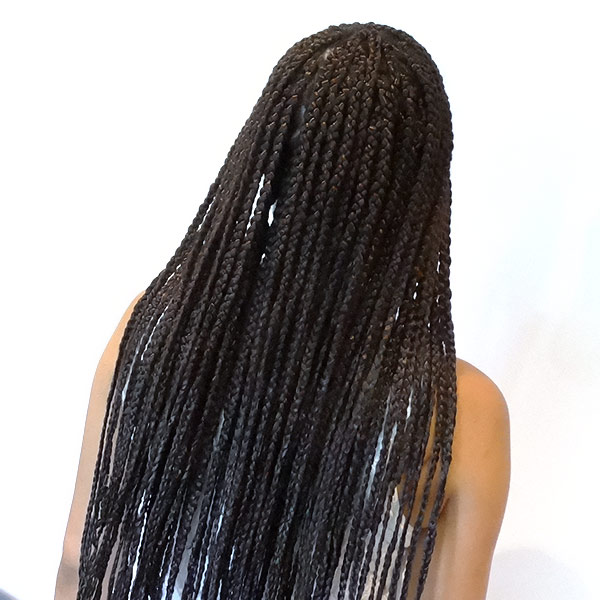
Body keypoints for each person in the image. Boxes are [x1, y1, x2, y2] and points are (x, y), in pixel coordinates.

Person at [55, 22, 510, 600]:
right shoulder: (461, 414)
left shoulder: (151, 332)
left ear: (269, 158)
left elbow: (79, 561)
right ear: (423, 196)